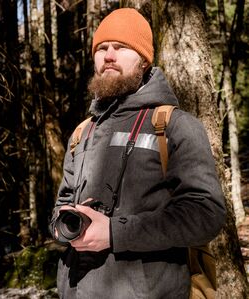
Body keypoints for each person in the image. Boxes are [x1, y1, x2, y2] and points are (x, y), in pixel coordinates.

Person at [49, 7, 226, 298]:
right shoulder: (83, 132)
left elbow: (206, 214)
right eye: (102, 48)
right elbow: (62, 202)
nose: (108, 55)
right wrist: (63, 224)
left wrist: (115, 232)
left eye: (120, 47)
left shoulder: (174, 126)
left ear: (143, 60)